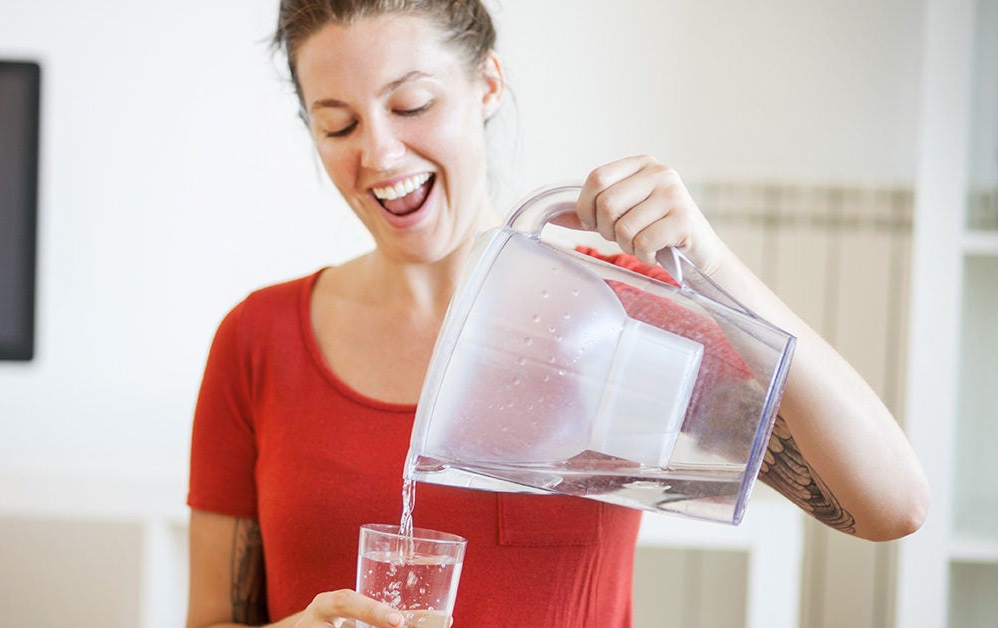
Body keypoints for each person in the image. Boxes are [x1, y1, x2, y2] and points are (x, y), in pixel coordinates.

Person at [185, 1, 930, 626]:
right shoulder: (260, 341)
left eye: (412, 104)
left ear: (487, 84)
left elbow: (890, 505)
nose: (379, 154)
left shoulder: (613, 317)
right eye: (338, 124)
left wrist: (711, 264)